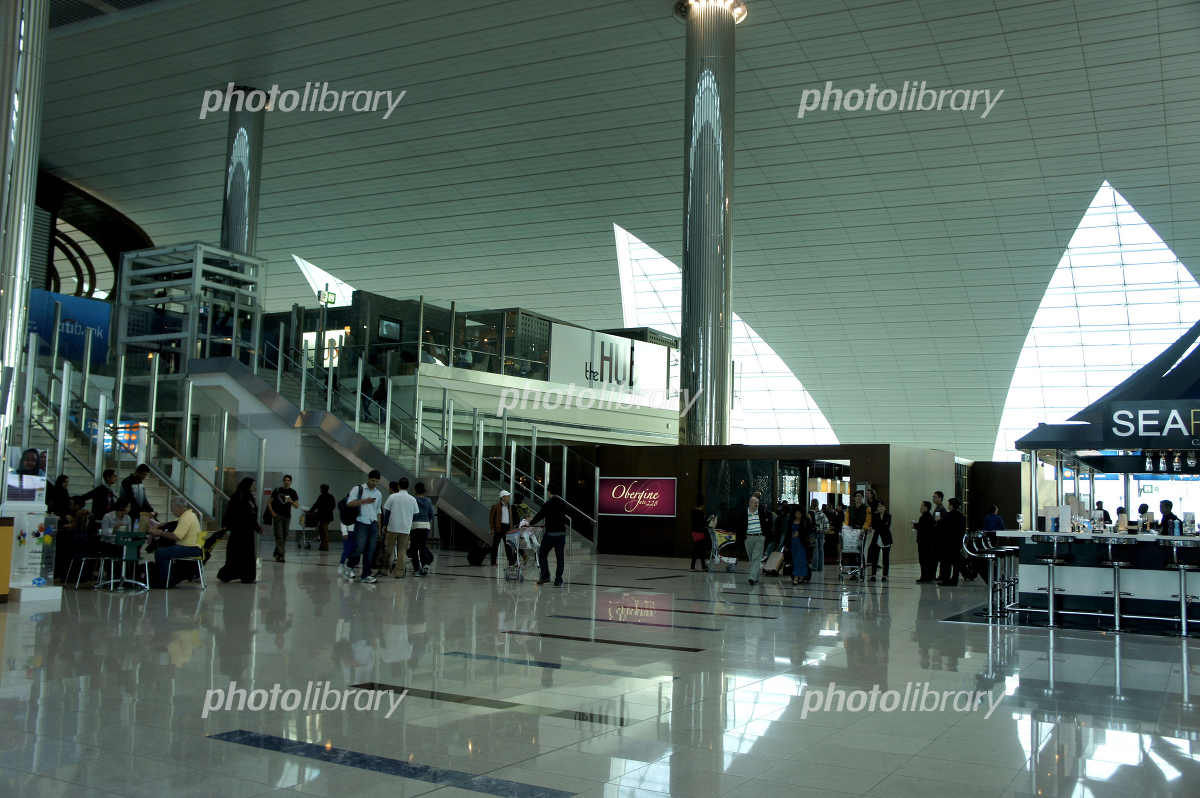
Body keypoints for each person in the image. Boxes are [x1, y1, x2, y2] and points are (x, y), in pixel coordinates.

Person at [150, 498, 204, 588]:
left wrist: (160, 533)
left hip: (191, 549)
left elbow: (177, 536)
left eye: (172, 508)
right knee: (165, 550)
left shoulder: (186, 517)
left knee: (161, 552)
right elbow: (174, 522)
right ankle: (169, 580)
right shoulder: (189, 515)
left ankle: (165, 582)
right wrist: (160, 525)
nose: (172, 511)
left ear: (179, 507)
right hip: (194, 548)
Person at [344, 469, 384, 583]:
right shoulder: (358, 489)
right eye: (372, 480)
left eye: (376, 481)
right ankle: (350, 565)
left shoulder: (378, 494)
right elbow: (349, 503)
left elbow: (378, 512)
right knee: (359, 547)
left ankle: (366, 575)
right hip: (361, 522)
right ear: (368, 478)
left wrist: (379, 528)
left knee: (370, 550)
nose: (374, 483)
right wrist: (364, 501)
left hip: (373, 524)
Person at [218, 477, 260, 583]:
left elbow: (252, 514)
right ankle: (229, 575)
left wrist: (256, 526)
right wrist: (226, 526)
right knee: (237, 554)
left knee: (245, 554)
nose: (254, 487)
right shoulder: (238, 496)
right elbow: (232, 512)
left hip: (247, 531)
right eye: (252, 485)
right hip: (239, 531)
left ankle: (246, 576)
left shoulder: (249, 496)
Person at [530, 487, 569, 586]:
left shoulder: (548, 504)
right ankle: (558, 580)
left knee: (542, 553)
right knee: (560, 558)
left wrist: (530, 523)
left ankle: (545, 576)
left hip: (551, 534)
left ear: (549, 492)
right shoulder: (563, 504)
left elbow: (540, 515)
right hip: (561, 534)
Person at [382, 477, 419, 577]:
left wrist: (385, 525)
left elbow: (387, 512)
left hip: (392, 527)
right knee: (402, 550)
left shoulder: (393, 497)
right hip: (405, 528)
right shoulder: (412, 499)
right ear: (408, 487)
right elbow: (415, 514)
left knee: (389, 549)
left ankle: (385, 570)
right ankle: (399, 572)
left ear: (398, 486)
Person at [735, 493, 772, 586]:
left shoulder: (761, 512)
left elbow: (769, 520)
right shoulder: (744, 513)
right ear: (750, 503)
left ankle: (752, 577)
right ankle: (755, 577)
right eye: (754, 503)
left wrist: (765, 535)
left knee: (756, 557)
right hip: (748, 538)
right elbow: (739, 527)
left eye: (757, 503)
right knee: (752, 558)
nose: (756, 505)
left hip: (759, 537)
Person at [267, 474, 301, 561]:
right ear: (283, 481)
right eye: (285, 480)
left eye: (288, 480)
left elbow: (297, 506)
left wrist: (291, 501)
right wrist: (273, 513)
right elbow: (269, 502)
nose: (286, 482)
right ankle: (282, 555)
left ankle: (277, 552)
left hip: (287, 517)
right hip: (277, 516)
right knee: (279, 536)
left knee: (284, 536)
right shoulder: (278, 490)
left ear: (291, 482)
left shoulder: (293, 492)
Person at [938, 497, 966, 586]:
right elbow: (963, 530)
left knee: (947, 563)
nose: (948, 506)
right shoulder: (961, 517)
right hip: (957, 543)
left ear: (951, 506)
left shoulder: (947, 516)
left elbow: (942, 528)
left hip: (948, 543)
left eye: (949, 504)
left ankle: (946, 580)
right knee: (956, 563)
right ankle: (954, 580)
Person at [410, 482, 436, 575]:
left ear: (415, 490)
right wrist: (426, 521)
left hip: (415, 525)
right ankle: (425, 564)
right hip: (425, 526)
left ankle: (417, 569)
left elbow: (411, 513)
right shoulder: (428, 500)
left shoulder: (413, 499)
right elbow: (431, 515)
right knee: (422, 546)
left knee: (414, 548)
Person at [867, 501, 893, 582]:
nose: (880, 508)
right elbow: (874, 526)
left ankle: (885, 575)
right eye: (879, 507)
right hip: (877, 538)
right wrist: (879, 525)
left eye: (882, 506)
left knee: (886, 558)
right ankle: (873, 575)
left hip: (886, 538)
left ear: (885, 508)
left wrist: (878, 525)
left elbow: (886, 527)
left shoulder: (888, 516)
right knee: (875, 558)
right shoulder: (875, 516)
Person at [305, 484, 336, 551]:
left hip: (323, 516)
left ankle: (325, 546)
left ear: (323, 489)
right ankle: (323, 545)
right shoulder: (331, 497)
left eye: (321, 488)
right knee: (323, 530)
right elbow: (333, 506)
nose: (320, 490)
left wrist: (310, 511)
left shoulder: (321, 496)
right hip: (328, 516)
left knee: (323, 531)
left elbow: (316, 505)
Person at [489, 490, 516, 566]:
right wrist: (492, 528)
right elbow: (491, 518)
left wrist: (511, 527)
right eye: (507, 496)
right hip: (499, 527)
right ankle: (493, 562)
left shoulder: (509, 507)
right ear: (503, 497)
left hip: (507, 528)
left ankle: (511, 561)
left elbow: (511, 518)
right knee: (495, 545)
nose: (508, 498)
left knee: (508, 545)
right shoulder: (495, 506)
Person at [914, 501, 937, 582]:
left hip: (924, 542)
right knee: (927, 560)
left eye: (922, 506)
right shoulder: (930, 517)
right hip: (929, 543)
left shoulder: (924, 517)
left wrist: (915, 526)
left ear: (926, 507)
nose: (920, 508)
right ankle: (928, 576)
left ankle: (924, 577)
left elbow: (923, 529)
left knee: (923, 560)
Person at [789, 506, 810, 585]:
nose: (798, 515)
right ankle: (799, 576)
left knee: (800, 560)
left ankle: (797, 577)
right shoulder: (791, 521)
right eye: (796, 513)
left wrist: (800, 533)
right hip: (793, 543)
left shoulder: (805, 521)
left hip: (802, 544)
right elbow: (788, 532)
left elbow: (809, 531)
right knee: (795, 560)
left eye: (799, 513)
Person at [690, 495, 709, 571]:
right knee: (700, 550)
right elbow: (703, 523)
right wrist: (707, 519)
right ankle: (702, 566)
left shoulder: (693, 512)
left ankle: (695, 566)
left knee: (697, 549)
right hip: (700, 532)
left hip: (694, 532)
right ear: (702, 505)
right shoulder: (700, 513)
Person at [810, 498, 828, 572]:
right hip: (821, 532)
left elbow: (810, 523)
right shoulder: (821, 513)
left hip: (814, 532)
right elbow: (826, 523)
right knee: (821, 550)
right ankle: (820, 567)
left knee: (815, 550)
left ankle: (814, 566)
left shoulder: (810, 513)